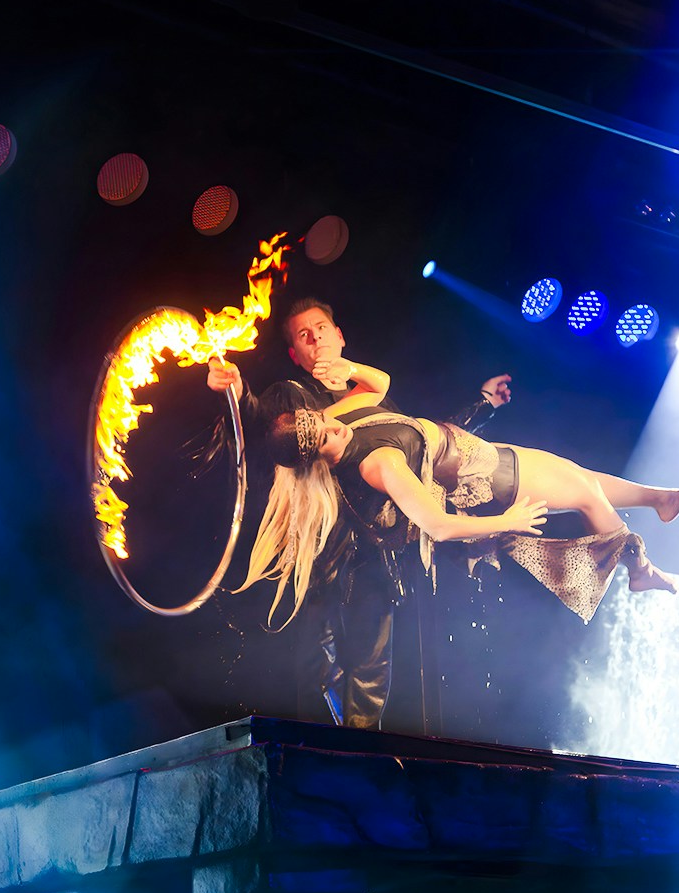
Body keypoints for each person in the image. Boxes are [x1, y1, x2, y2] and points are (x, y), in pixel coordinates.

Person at [206, 297, 511, 729]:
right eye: (303, 336)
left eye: (321, 328)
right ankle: (319, 761)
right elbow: (261, 426)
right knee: (316, 669)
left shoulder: (376, 401)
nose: (316, 339)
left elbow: (431, 445)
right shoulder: (290, 397)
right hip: (321, 550)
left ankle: (361, 764)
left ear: (340, 335)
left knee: (371, 672)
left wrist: (483, 404)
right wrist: (235, 393)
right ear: (296, 354)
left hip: (376, 551)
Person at [238, 358, 679, 629]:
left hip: (482, 454)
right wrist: (503, 523)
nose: (332, 429)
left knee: (579, 476)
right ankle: (639, 567)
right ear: (316, 458)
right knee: (588, 493)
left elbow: (378, 383)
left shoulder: (346, 421)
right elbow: (439, 525)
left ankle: (659, 498)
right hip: (486, 481)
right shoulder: (376, 465)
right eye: (323, 438)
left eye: (323, 421)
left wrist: (343, 365)